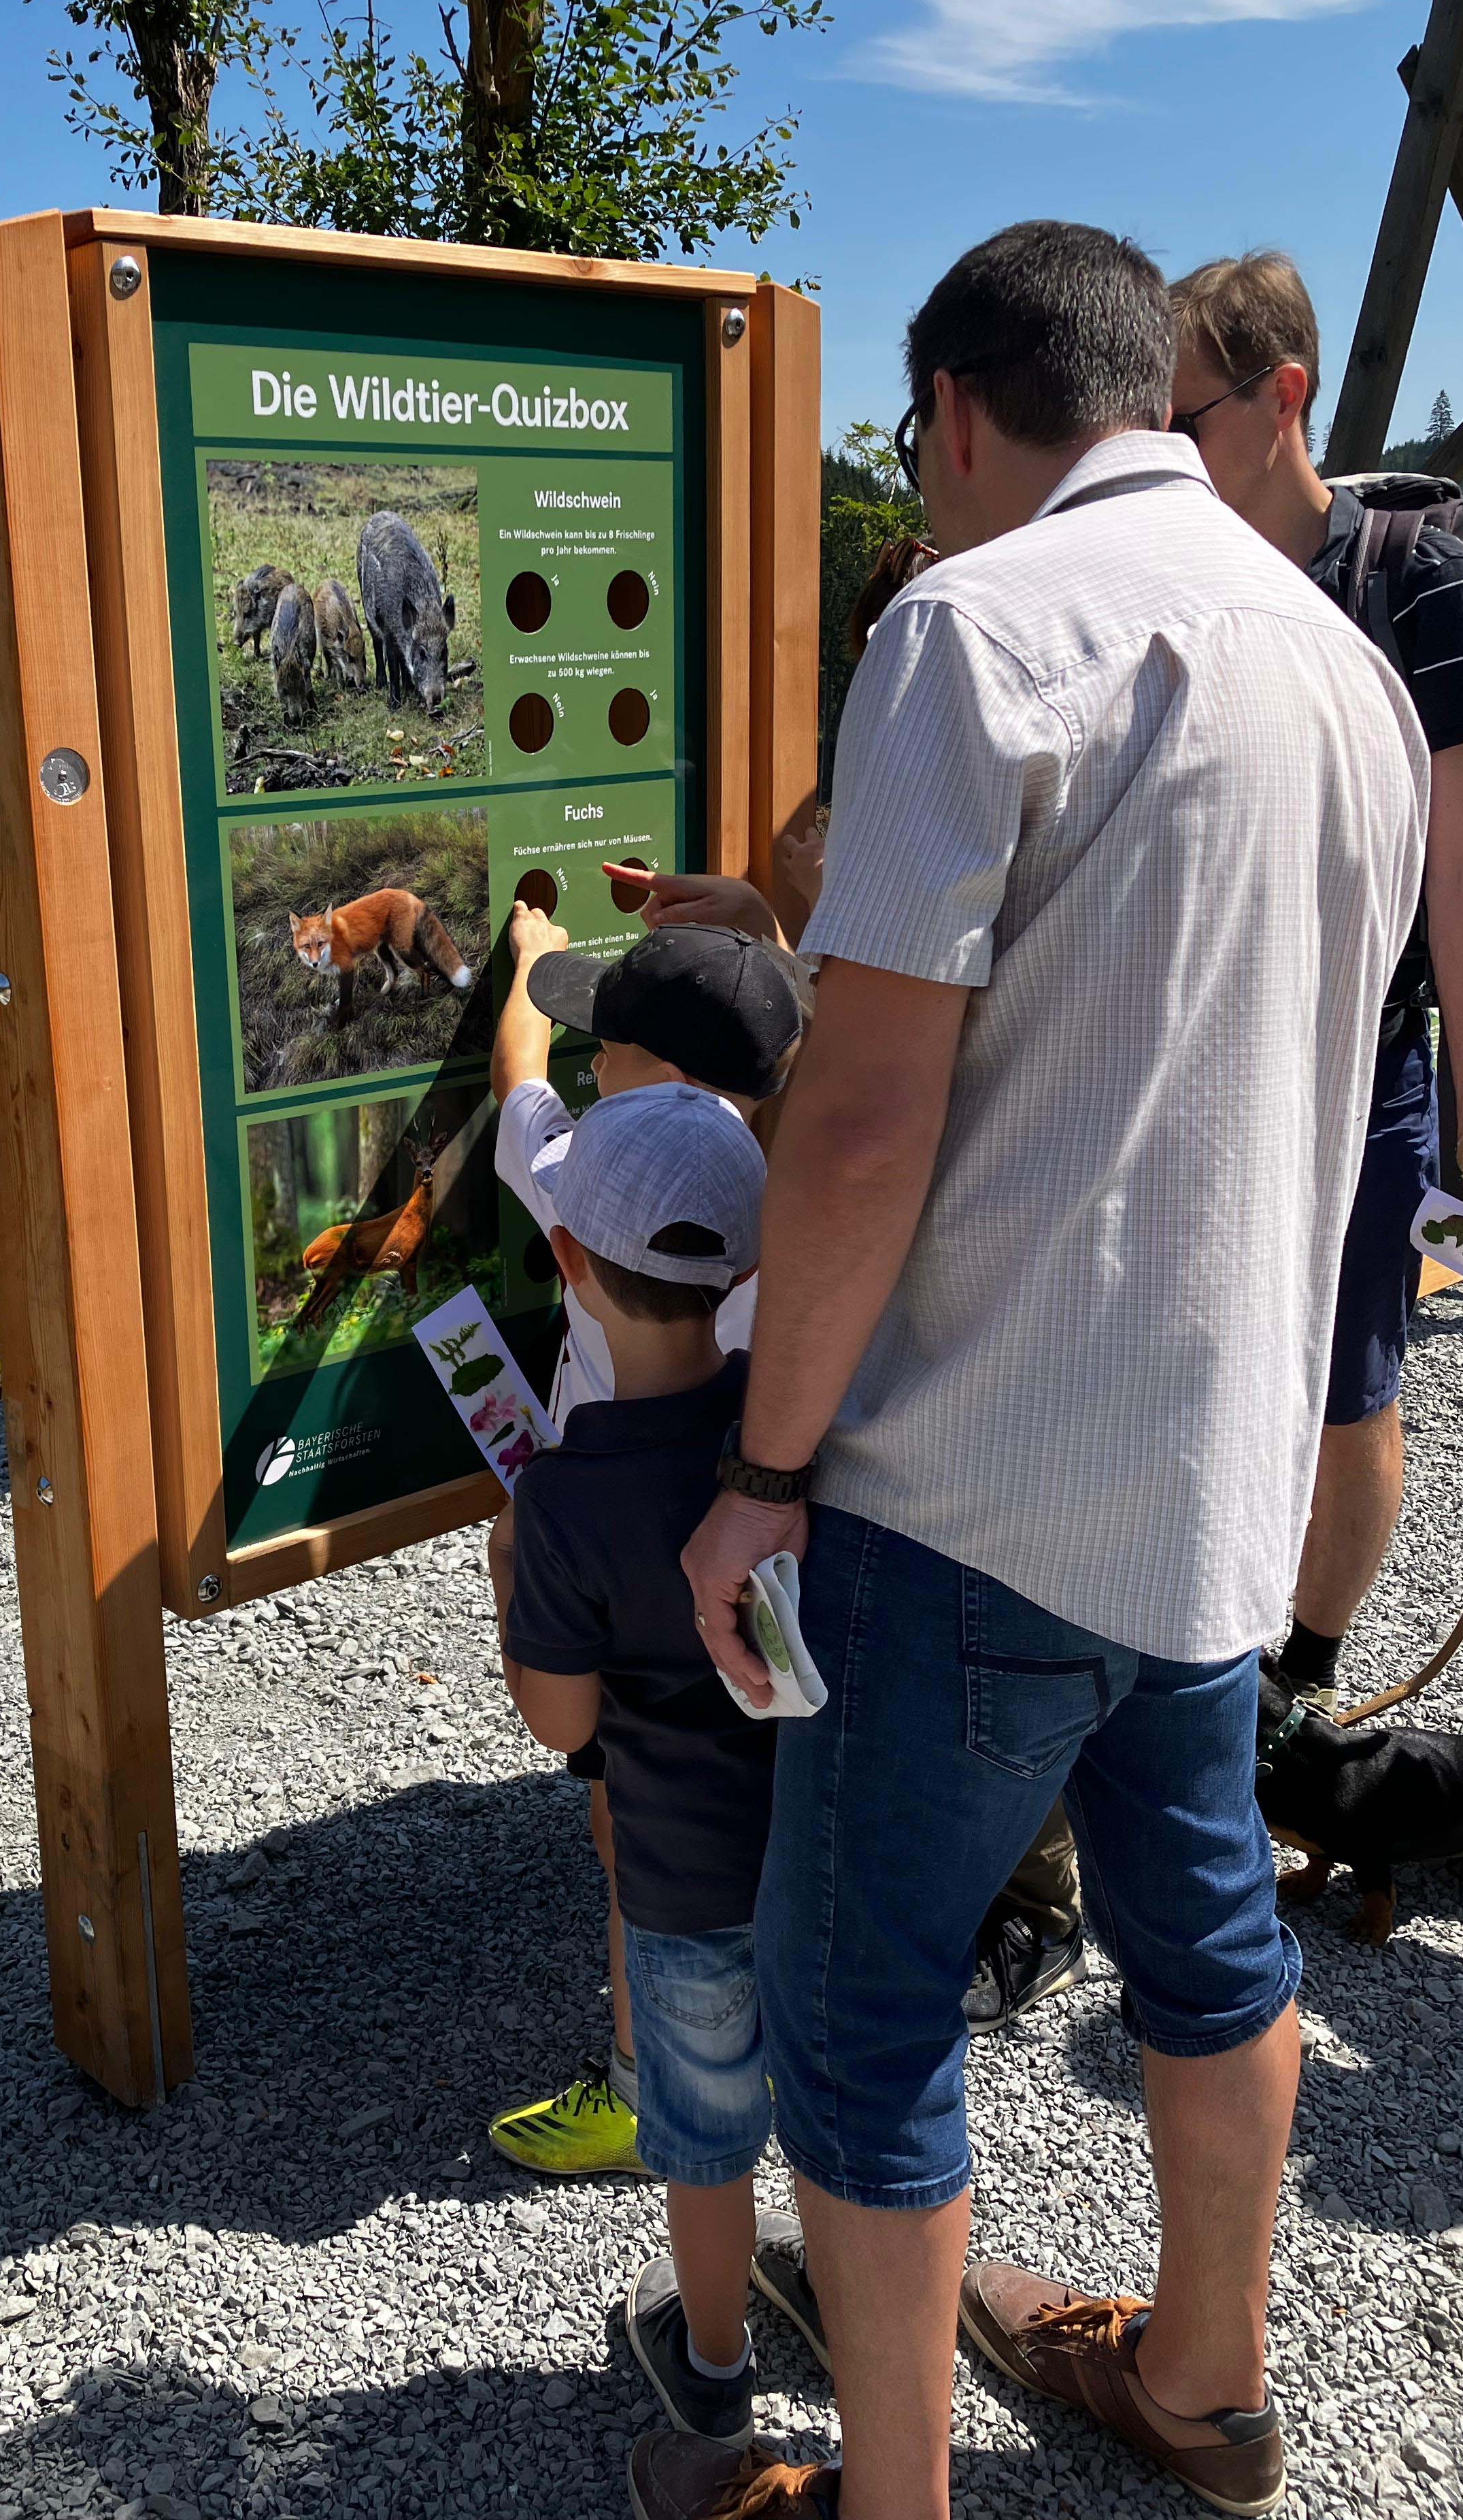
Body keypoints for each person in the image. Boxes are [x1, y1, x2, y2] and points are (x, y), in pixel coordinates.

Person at [641, 222, 1426, 2520]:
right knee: (1204, 1944)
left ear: (962, 417)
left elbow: (867, 1117)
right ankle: (1203, 2384)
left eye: (914, 449)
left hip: (958, 1492)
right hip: (1214, 1487)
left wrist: (762, 1466)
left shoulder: (966, 633)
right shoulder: (1339, 665)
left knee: (865, 2011)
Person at [1169, 251, 1463, 1710]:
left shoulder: (1422, 580)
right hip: (1191, 1055)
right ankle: (1185, 1647)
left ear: (1282, 396)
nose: (1155, 456)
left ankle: (1296, 1686)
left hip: (1361, 1065)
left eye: (1180, 422)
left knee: (1351, 1377)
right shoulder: (1174, 575)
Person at [497, 1083, 823, 2444]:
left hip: (682, 1883)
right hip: (825, 1846)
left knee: (702, 2145)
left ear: (568, 1262)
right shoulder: (798, 1439)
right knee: (833, 2092)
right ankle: (848, 2294)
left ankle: (709, 2358)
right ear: (747, 1268)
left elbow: (562, 1726)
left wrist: (511, 1574)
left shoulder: (566, 1495)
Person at [484, 908, 802, 2180]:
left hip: (610, 1568)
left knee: (631, 1813)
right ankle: (763, 2044)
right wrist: (760, 941)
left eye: (598, 1037)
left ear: (641, 1070)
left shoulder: (583, 1181)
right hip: (754, 1554)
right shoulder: (784, 1200)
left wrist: (523, 958)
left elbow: (520, 1076)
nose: (581, 1048)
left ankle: (643, 2080)